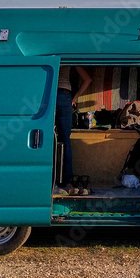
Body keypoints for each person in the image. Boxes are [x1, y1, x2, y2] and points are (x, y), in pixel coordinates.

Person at [54, 65, 91, 195]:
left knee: (47, 138)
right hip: (64, 95)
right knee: (65, 140)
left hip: (48, 94)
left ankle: (51, 181)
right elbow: (87, 79)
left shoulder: (45, 50)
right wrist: (74, 98)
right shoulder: (67, 53)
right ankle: (67, 182)